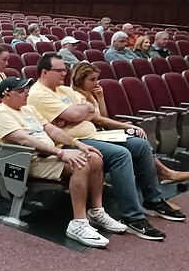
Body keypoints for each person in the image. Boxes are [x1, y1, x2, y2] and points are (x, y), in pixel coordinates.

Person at [27, 53, 182, 240]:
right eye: (59, 70)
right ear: (44, 72)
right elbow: (77, 115)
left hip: (94, 134)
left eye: (65, 69)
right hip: (70, 142)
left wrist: (78, 113)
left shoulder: (64, 90)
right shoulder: (38, 93)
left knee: (140, 145)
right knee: (121, 155)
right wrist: (79, 113)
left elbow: (88, 113)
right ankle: (132, 217)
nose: (64, 73)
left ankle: (153, 201)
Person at [0, 77, 124, 247]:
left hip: (48, 155)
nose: (26, 93)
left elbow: (52, 130)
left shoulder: (28, 109)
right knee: (80, 163)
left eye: (26, 89)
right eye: (20, 91)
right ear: (6, 95)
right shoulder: (1, 114)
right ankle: (79, 223)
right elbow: (24, 140)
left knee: (95, 158)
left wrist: (77, 143)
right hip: (28, 161)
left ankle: (96, 211)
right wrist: (60, 152)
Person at [70, 61, 189, 187]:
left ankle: (163, 173)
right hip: (91, 136)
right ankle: (164, 173)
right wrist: (130, 126)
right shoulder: (77, 97)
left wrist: (100, 98)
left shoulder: (89, 95)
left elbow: (103, 117)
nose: (96, 83)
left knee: (138, 138)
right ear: (80, 80)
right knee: (134, 136)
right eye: (92, 79)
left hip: (99, 132)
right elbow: (99, 120)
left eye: (97, 79)